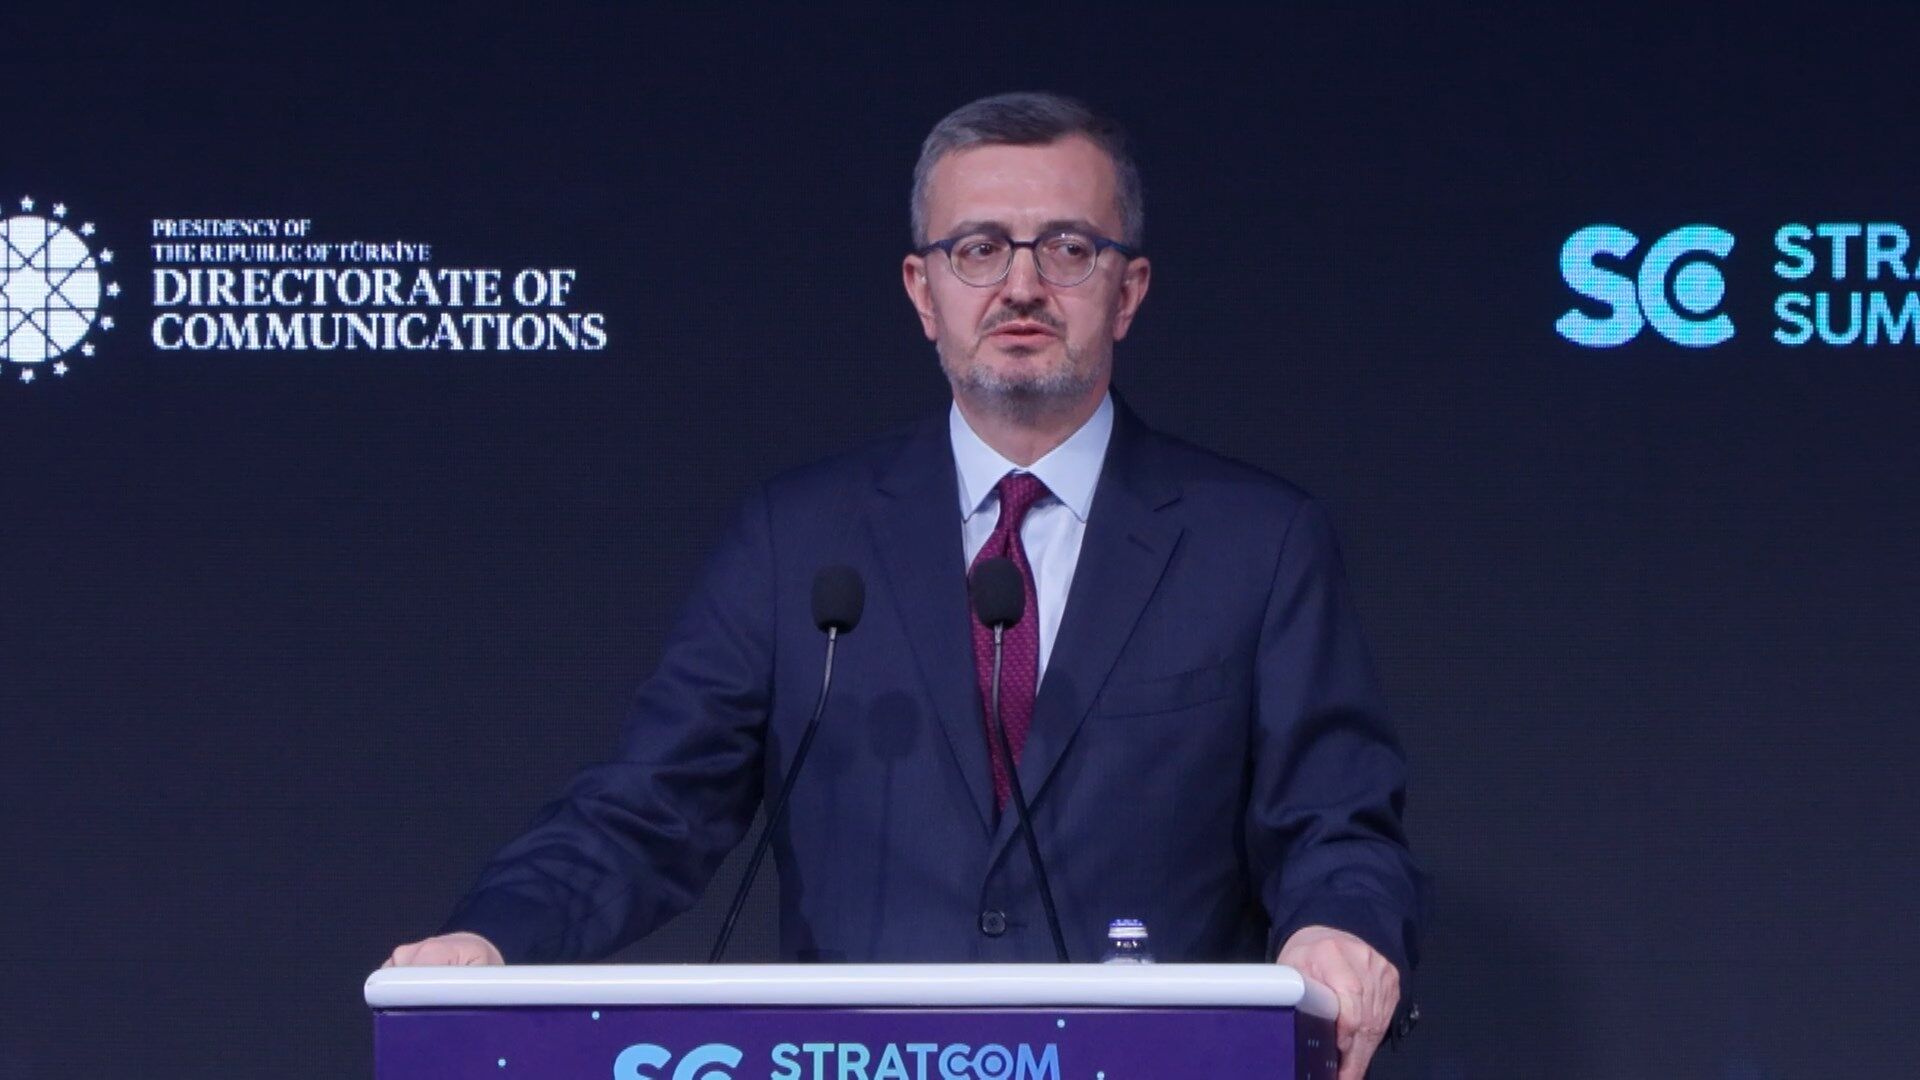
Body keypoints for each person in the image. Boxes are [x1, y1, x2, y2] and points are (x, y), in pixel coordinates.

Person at [386, 92, 1424, 1079]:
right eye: (978, 248)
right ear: (924, 292)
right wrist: (495, 936)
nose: (1022, 286)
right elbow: (652, 805)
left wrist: (1342, 928)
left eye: (1068, 248)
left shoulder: (1257, 542)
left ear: (1131, 290)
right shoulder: (797, 540)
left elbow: (1334, 823)